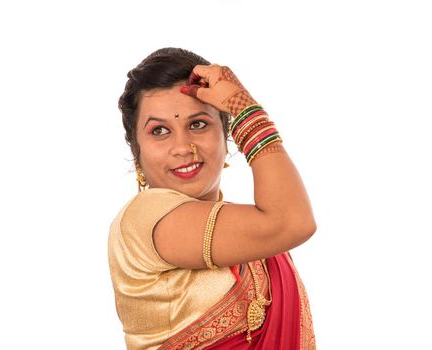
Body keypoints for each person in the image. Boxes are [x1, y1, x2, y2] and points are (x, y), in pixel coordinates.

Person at [108, 47, 317, 350]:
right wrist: (247, 110)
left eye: (197, 124)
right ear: (136, 151)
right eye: (160, 131)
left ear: (225, 133)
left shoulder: (245, 232)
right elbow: (293, 222)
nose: (183, 147)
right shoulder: (145, 218)